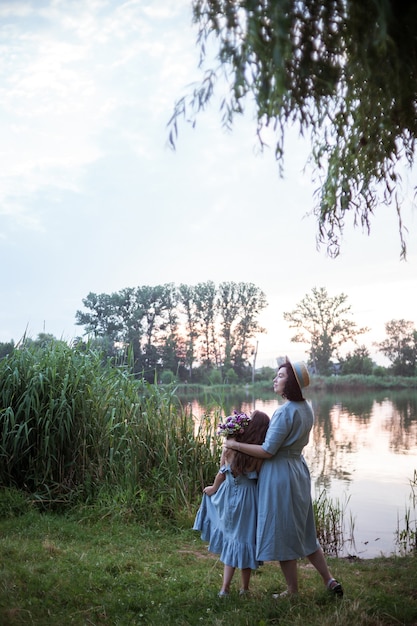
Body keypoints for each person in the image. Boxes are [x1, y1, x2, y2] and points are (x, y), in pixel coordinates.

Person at [224, 358, 344, 598]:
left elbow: (268, 451)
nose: (275, 380)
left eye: (280, 376)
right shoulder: (307, 408)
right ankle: (329, 580)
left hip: (279, 475)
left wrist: (235, 444)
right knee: (306, 530)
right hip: (298, 469)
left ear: (291, 384)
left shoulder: (284, 412)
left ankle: (292, 591)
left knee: (283, 533)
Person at [193, 409, 270, 597]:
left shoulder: (230, 450)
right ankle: (244, 589)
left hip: (229, 495)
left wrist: (213, 488)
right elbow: (262, 478)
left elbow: (222, 472)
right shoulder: (259, 455)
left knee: (231, 540)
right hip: (249, 500)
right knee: (244, 541)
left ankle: (225, 588)